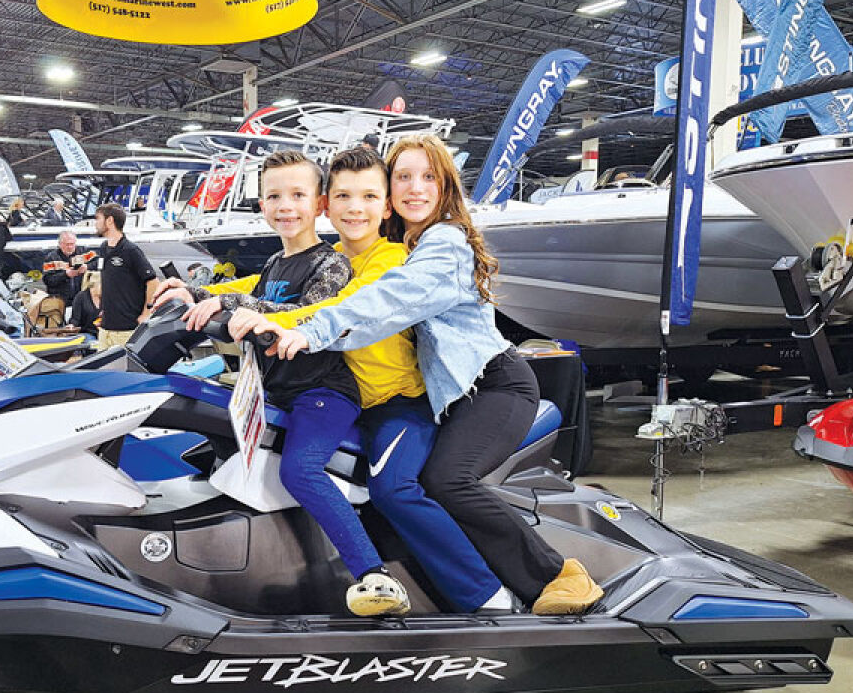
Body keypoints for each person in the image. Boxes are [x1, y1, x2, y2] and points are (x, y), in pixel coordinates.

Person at [259, 134, 604, 616]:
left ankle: (555, 577)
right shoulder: (394, 245)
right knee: (414, 484)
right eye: (403, 176)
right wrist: (210, 298)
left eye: (428, 177)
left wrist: (309, 329)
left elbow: (387, 299)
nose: (415, 187)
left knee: (443, 480)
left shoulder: (442, 243)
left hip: (492, 384)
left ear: (445, 187)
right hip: (450, 395)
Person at [230, 146, 506, 614]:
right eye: (344, 196)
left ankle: (486, 595)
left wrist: (270, 320)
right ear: (327, 204)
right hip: (357, 402)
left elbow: (338, 306)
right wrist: (203, 296)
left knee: (394, 488)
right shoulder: (333, 257)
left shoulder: (391, 258)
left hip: (400, 404)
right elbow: (259, 286)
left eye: (369, 197)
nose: (355, 208)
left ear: (387, 206)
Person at [154, 150, 403, 618]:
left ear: (319, 204)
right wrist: (196, 294)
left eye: (297, 195)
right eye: (273, 196)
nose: (285, 206)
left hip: (322, 392)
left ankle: (373, 574)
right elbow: (252, 293)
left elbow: (307, 311)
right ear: (262, 204)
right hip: (277, 391)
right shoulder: (274, 262)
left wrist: (233, 307)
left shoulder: (331, 264)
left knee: (300, 469)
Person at [94, 202, 157, 349]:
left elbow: (153, 282)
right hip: (105, 328)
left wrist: (146, 313)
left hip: (126, 330)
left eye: (98, 219)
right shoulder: (103, 248)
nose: (95, 223)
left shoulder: (131, 250)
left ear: (109, 221)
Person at [42, 230, 91, 307]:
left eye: (72, 244)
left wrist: (87, 267)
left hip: (81, 300)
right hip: (59, 301)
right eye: (67, 244)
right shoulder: (51, 258)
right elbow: (48, 280)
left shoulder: (84, 252)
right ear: (60, 244)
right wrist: (65, 275)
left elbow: (99, 263)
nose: (70, 247)